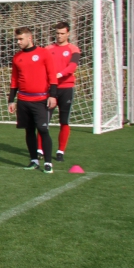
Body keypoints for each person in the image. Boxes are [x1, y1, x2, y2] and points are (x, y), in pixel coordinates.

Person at [9, 26, 57, 173]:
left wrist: (53, 95)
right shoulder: (17, 57)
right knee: (29, 131)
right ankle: (34, 161)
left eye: (21, 39)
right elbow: (14, 80)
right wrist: (11, 100)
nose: (18, 42)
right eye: (17, 39)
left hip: (41, 99)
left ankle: (48, 163)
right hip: (23, 100)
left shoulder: (43, 53)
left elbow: (52, 75)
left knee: (43, 129)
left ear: (30, 38)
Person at [48, 22, 80, 163]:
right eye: (57, 33)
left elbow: (72, 66)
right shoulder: (48, 49)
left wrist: (59, 74)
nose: (59, 36)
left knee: (64, 121)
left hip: (66, 88)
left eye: (62, 33)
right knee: (44, 121)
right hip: (50, 88)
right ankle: (40, 150)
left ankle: (60, 151)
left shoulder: (73, 49)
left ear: (68, 34)